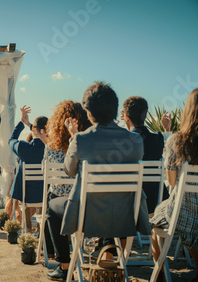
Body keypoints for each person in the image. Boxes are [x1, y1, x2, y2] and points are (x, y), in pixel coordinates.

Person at [46, 81, 149, 281]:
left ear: (89, 113)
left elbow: (69, 170)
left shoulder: (81, 140)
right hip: (126, 215)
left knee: (52, 206)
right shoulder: (135, 140)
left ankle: (65, 265)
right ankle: (108, 249)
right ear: (116, 109)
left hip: (87, 218)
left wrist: (74, 139)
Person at [150, 89, 198, 282]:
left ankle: (160, 274)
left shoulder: (177, 141)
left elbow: (171, 181)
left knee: (156, 223)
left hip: (183, 213)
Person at [42, 100, 92, 261]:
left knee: (50, 203)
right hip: (89, 203)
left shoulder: (50, 148)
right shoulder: (88, 147)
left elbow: (46, 175)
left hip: (64, 205)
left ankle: (62, 261)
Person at [122, 96, 166, 213]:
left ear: (126, 116)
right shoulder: (158, 139)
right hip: (155, 202)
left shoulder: (123, 144)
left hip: (130, 203)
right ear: (145, 115)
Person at [8, 105, 48, 226]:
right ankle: (41, 227)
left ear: (34, 129)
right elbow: (43, 134)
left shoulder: (23, 148)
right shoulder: (52, 148)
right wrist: (30, 125)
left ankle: (28, 228)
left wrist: (22, 123)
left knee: (20, 167)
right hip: (45, 195)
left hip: (26, 195)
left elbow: (11, 140)